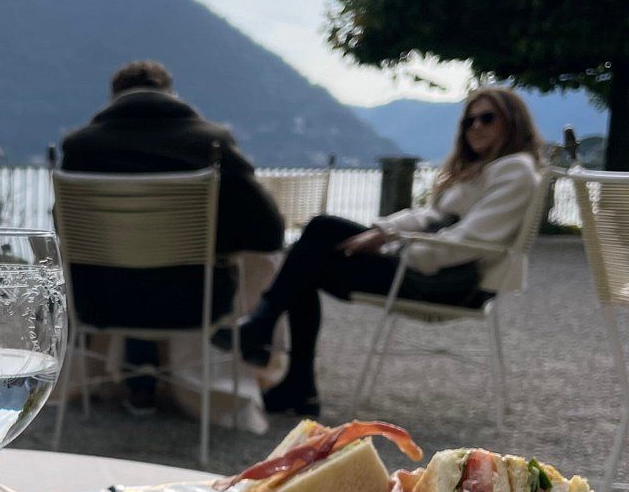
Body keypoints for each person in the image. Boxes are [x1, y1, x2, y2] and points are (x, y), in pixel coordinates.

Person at [226, 86, 543, 416]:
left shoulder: (515, 170)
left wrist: (396, 251)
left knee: (316, 242)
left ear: (512, 121)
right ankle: (286, 366)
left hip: (449, 283)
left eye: (487, 118)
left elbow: (473, 239)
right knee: (309, 259)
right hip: (433, 268)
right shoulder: (484, 169)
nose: (475, 127)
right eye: (469, 121)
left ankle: (273, 345)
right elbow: (433, 217)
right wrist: (384, 232)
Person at [60, 60, 284, 415]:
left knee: (133, 268)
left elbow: (66, 233)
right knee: (185, 269)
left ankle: (138, 383)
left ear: (113, 98)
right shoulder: (212, 143)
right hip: (194, 302)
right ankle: (202, 383)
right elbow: (269, 232)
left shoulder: (79, 147)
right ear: (170, 94)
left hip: (99, 301)